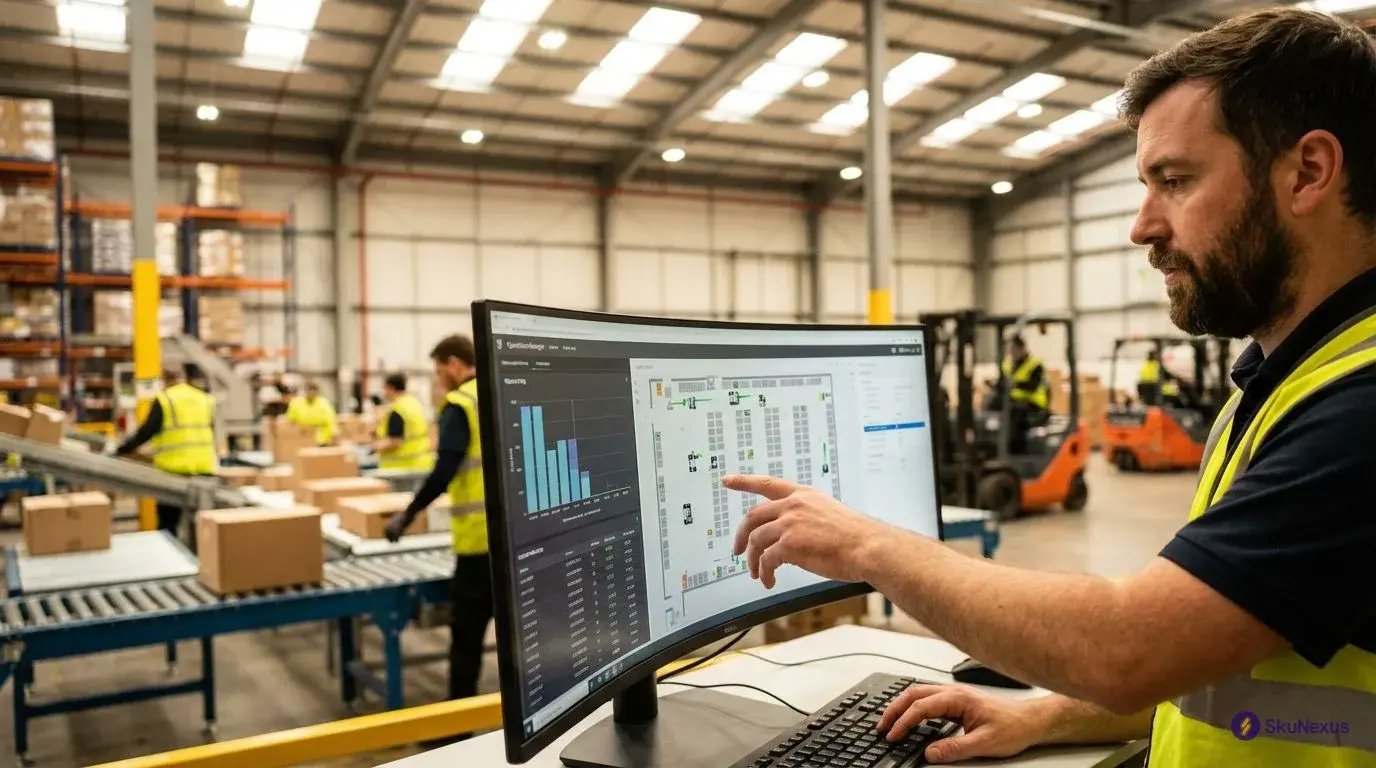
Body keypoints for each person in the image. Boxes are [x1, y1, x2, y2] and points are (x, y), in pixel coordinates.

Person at [727, 9, 1376, 767]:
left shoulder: (1359, 409)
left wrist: (869, 544)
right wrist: (1048, 717)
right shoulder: (1281, 382)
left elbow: (1129, 646)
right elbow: (1215, 646)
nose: (1141, 226)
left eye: (1175, 181)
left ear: (1307, 172)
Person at [384, 335, 491, 705]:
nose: (438, 378)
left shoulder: (460, 403)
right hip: (517, 542)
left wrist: (408, 515)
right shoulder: (499, 391)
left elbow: (444, 469)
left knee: (466, 640)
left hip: (479, 544)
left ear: (455, 364)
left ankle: (457, 728)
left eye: (439, 369)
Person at [115, 367, 217, 539]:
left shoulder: (165, 400)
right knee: (202, 526)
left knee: (168, 526)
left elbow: (146, 432)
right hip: (204, 469)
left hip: (173, 472)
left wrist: (122, 449)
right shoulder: (204, 398)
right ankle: (205, 560)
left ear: (164, 381)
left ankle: (174, 562)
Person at [373, 372, 434, 472]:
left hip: (400, 467)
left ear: (391, 388)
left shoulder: (398, 409)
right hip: (420, 464)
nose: (384, 393)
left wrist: (374, 448)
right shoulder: (414, 403)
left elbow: (395, 442)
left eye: (385, 389)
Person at [997, 335, 1049, 452]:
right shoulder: (1008, 365)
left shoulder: (1035, 364)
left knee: (1013, 414)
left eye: (1014, 350)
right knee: (992, 404)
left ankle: (1011, 449)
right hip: (1014, 402)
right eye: (1010, 350)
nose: (1012, 353)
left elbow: (1032, 386)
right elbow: (1003, 383)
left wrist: (1015, 384)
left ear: (1022, 349)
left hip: (1033, 403)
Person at [285, 379, 337, 446]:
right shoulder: (296, 403)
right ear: (305, 390)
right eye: (309, 389)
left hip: (322, 441)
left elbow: (331, 422)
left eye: (314, 390)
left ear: (317, 391)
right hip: (302, 439)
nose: (311, 392)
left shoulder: (324, 403)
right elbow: (290, 421)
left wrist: (334, 437)